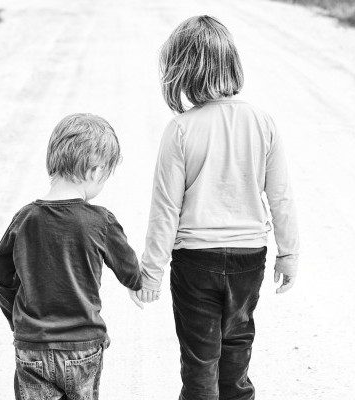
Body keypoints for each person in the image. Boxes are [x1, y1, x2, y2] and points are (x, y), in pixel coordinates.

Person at [136, 16, 301, 400]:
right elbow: (281, 197)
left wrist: (152, 272)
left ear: (182, 72)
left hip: (196, 263)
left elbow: (165, 209)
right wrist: (289, 254)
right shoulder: (262, 122)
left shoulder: (180, 129)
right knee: (236, 357)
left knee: (200, 366)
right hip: (249, 259)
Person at [0, 113, 144, 400]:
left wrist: (18, 320)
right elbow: (127, 264)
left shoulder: (24, 219)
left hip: (32, 345)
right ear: (97, 171)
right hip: (82, 345)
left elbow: (0, 276)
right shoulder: (100, 221)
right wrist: (136, 282)